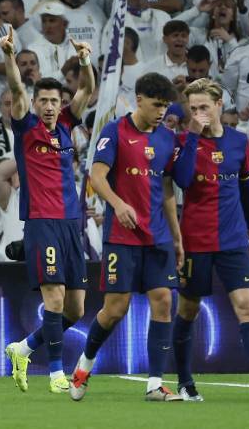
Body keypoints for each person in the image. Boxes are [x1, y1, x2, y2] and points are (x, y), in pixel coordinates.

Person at [69, 73, 189, 402]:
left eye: (165, 106)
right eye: (156, 105)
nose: (161, 111)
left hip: (159, 236)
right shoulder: (115, 132)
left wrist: (177, 236)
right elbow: (96, 175)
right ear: (139, 100)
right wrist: (119, 203)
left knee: (164, 301)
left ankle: (154, 383)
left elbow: (166, 189)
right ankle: (84, 365)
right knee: (115, 308)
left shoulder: (168, 138)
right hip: (122, 237)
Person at [170, 78, 249, 401]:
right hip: (195, 240)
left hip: (234, 239)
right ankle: (184, 381)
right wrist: (194, 134)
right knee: (189, 309)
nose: (198, 114)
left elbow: (247, 188)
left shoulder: (239, 142)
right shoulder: (184, 141)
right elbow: (181, 180)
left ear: (219, 105)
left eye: (204, 107)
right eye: (192, 109)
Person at [0, 25, 94, 393]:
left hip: (72, 224)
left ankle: (23, 349)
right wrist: (9, 54)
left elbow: (86, 88)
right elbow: (15, 88)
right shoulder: (26, 128)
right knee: (53, 298)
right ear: (36, 104)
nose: (51, 106)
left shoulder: (68, 124)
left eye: (56, 101)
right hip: (41, 222)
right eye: (45, 101)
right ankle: (56, 373)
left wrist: (85, 59)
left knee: (75, 310)